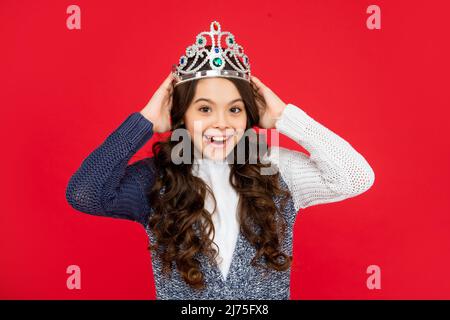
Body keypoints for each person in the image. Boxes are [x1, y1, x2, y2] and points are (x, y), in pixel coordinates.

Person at [65, 21, 375, 300]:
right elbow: (86, 193)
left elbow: (355, 177)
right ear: (180, 114)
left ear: (250, 114)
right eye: (204, 109)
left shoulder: (276, 168)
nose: (222, 123)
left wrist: (285, 117)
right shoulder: (157, 179)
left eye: (234, 109)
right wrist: (144, 121)